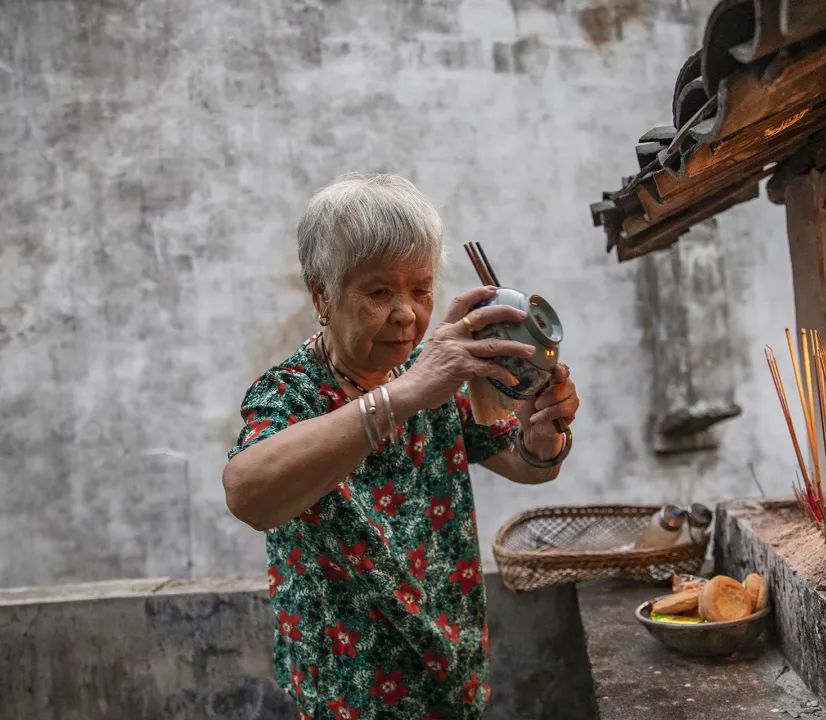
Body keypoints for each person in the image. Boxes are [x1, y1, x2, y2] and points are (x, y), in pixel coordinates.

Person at [222, 174, 579, 719]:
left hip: (451, 683)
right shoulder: (290, 393)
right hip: (349, 701)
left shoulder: (431, 373)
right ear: (322, 295)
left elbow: (525, 463)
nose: (408, 314)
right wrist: (404, 394)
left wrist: (542, 430)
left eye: (421, 288)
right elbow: (248, 494)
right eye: (379, 291)